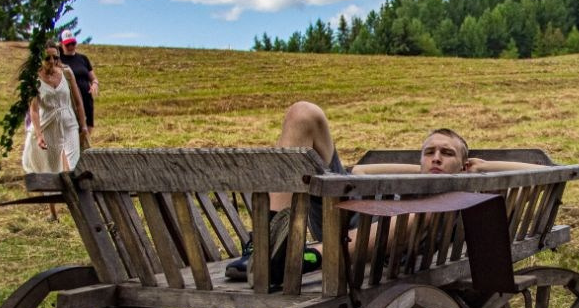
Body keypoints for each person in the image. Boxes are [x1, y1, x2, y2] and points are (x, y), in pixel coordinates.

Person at [227, 100, 539, 283]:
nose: (436, 157)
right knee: (303, 113)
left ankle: (303, 258)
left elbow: (540, 175)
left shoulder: (467, 189)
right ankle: (266, 245)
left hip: (381, 242)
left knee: (426, 212)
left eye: (447, 153)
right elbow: (359, 172)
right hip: (343, 217)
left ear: (463, 163)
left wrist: (481, 167)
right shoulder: (414, 173)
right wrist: (418, 170)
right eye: (429, 152)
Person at [23, 45, 89, 218]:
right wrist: (38, 135)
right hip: (49, 125)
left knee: (74, 165)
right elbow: (34, 110)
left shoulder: (67, 73)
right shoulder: (34, 79)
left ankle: (82, 209)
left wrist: (83, 126)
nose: (52, 61)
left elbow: (78, 101)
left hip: (69, 124)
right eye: (48, 58)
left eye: (55, 57)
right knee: (51, 169)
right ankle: (53, 213)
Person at [58, 29, 98, 130]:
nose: (71, 47)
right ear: (61, 44)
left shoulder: (83, 58)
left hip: (86, 98)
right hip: (69, 101)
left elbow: (93, 78)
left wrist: (94, 84)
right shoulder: (58, 60)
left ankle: (85, 145)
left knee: (88, 127)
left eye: (73, 43)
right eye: (67, 44)